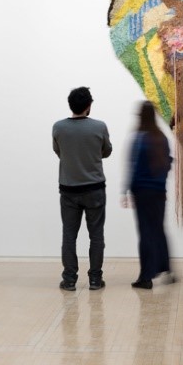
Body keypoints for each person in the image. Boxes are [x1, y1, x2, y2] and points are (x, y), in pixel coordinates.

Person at [52, 87, 112, 291]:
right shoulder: (99, 127)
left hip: (68, 189)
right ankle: (95, 279)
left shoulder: (58, 127)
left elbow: (58, 151)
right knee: (96, 235)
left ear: (70, 105)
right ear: (89, 106)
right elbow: (106, 151)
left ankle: (69, 279)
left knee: (69, 235)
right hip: (94, 188)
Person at [123, 101, 176, 289]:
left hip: (142, 192)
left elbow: (133, 166)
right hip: (159, 191)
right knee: (159, 229)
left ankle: (146, 277)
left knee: (146, 232)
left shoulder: (138, 138)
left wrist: (126, 190)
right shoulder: (161, 137)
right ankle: (166, 269)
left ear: (141, 117)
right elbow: (168, 162)